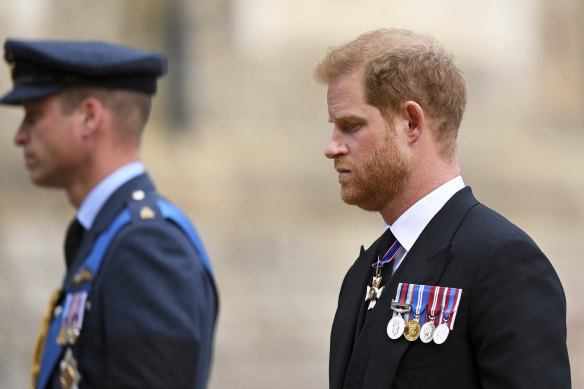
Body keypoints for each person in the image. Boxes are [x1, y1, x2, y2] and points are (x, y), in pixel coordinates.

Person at [314, 29, 571, 388]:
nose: (332, 148)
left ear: (411, 123)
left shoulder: (502, 263)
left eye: (351, 126)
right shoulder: (368, 269)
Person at [0, 39, 218, 389]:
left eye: (34, 116)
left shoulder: (147, 246)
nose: (19, 136)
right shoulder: (108, 234)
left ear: (89, 117)